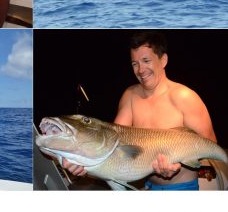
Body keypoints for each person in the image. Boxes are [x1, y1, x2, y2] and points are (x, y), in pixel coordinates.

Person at [62, 31, 217, 190]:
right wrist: (82, 162)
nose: (141, 70)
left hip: (182, 188)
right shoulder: (130, 96)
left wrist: (179, 163)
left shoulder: (186, 97)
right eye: (135, 63)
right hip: (147, 186)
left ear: (163, 60)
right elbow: (114, 146)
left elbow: (211, 145)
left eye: (146, 60)